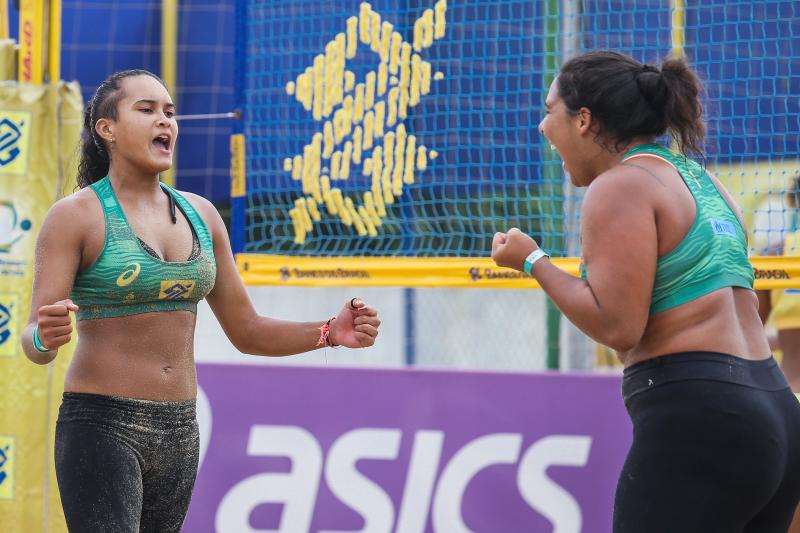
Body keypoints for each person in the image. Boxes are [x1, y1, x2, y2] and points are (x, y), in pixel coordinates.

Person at [21, 69, 381, 533]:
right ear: (105, 129)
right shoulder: (75, 216)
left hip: (179, 431)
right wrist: (45, 337)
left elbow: (247, 332)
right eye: (147, 110)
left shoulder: (202, 214)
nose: (165, 122)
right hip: (102, 426)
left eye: (170, 112)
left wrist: (330, 332)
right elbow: (33, 343)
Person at [491, 51, 800, 532]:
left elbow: (618, 326)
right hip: (776, 412)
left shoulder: (621, 186)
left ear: (584, 120)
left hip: (704, 416)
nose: (541, 126)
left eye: (549, 111)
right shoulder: (708, 184)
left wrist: (533, 261)